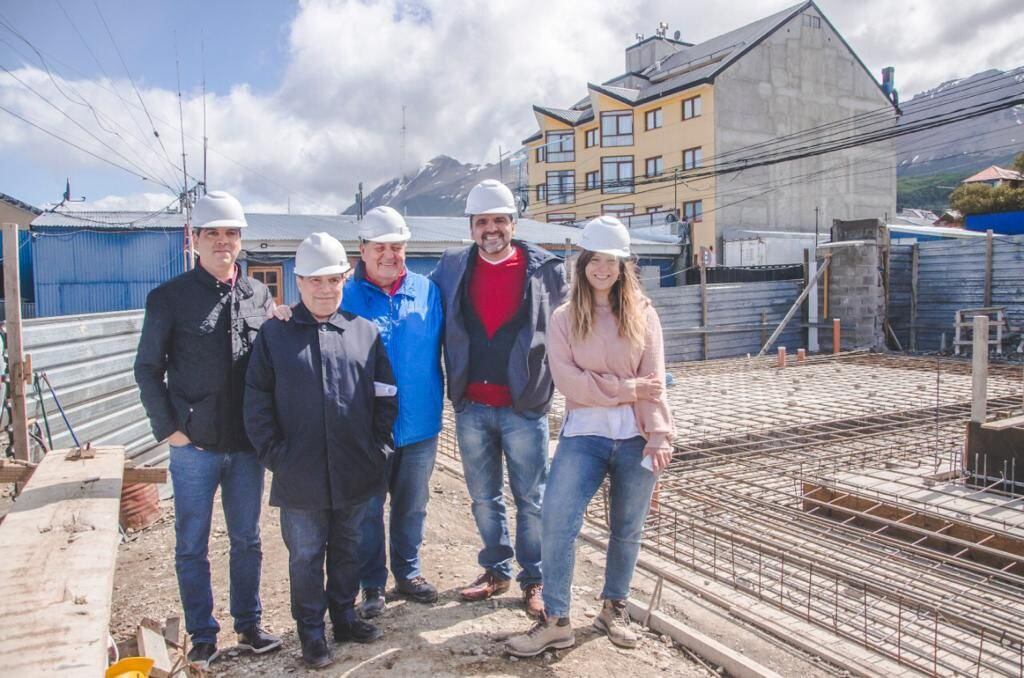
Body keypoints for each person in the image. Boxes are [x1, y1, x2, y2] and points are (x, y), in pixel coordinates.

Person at [505, 215, 674, 658]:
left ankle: (613, 608)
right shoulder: (564, 318)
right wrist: (629, 388)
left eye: (612, 261)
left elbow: (654, 379)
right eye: (594, 260)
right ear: (582, 265)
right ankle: (557, 620)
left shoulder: (643, 314)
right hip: (584, 437)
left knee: (627, 529)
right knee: (558, 520)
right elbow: (570, 383)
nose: (602, 268)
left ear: (623, 266)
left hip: (637, 437)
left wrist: (660, 433)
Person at [134, 191, 282, 669]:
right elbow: (147, 369)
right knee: (191, 544)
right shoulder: (170, 299)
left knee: (248, 539)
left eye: (231, 233)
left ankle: (250, 624)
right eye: (212, 233)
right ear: (193, 238)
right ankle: (202, 633)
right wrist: (170, 430)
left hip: (245, 447)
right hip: (193, 447)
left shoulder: (258, 295)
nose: (223, 241)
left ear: (241, 240)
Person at [245, 232, 398, 669]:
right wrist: (276, 455)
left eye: (334, 280)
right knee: (307, 555)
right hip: (301, 473)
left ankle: (345, 618)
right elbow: (256, 401)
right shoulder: (275, 335)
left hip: (354, 467)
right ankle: (311, 632)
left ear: (346, 279)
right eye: (316, 280)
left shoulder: (363, 332)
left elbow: (386, 395)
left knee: (349, 547)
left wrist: (378, 448)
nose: (326, 289)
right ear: (299, 281)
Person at [430, 179, 568, 618]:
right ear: (471, 227)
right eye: (483, 221)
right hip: (472, 406)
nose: (492, 229)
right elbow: (409, 300)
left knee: (531, 497)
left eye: (500, 220)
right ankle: (496, 569)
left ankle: (535, 578)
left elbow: (571, 327)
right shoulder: (451, 267)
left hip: (523, 408)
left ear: (513, 223)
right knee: (483, 496)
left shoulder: (547, 269)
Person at [347, 207, 444, 617]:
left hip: (421, 424)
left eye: (397, 247)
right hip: (367, 427)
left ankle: (408, 572)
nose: (389, 255)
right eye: (380, 247)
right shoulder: (343, 295)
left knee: (413, 504)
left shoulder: (427, 291)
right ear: (363, 250)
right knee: (368, 508)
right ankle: (372, 585)